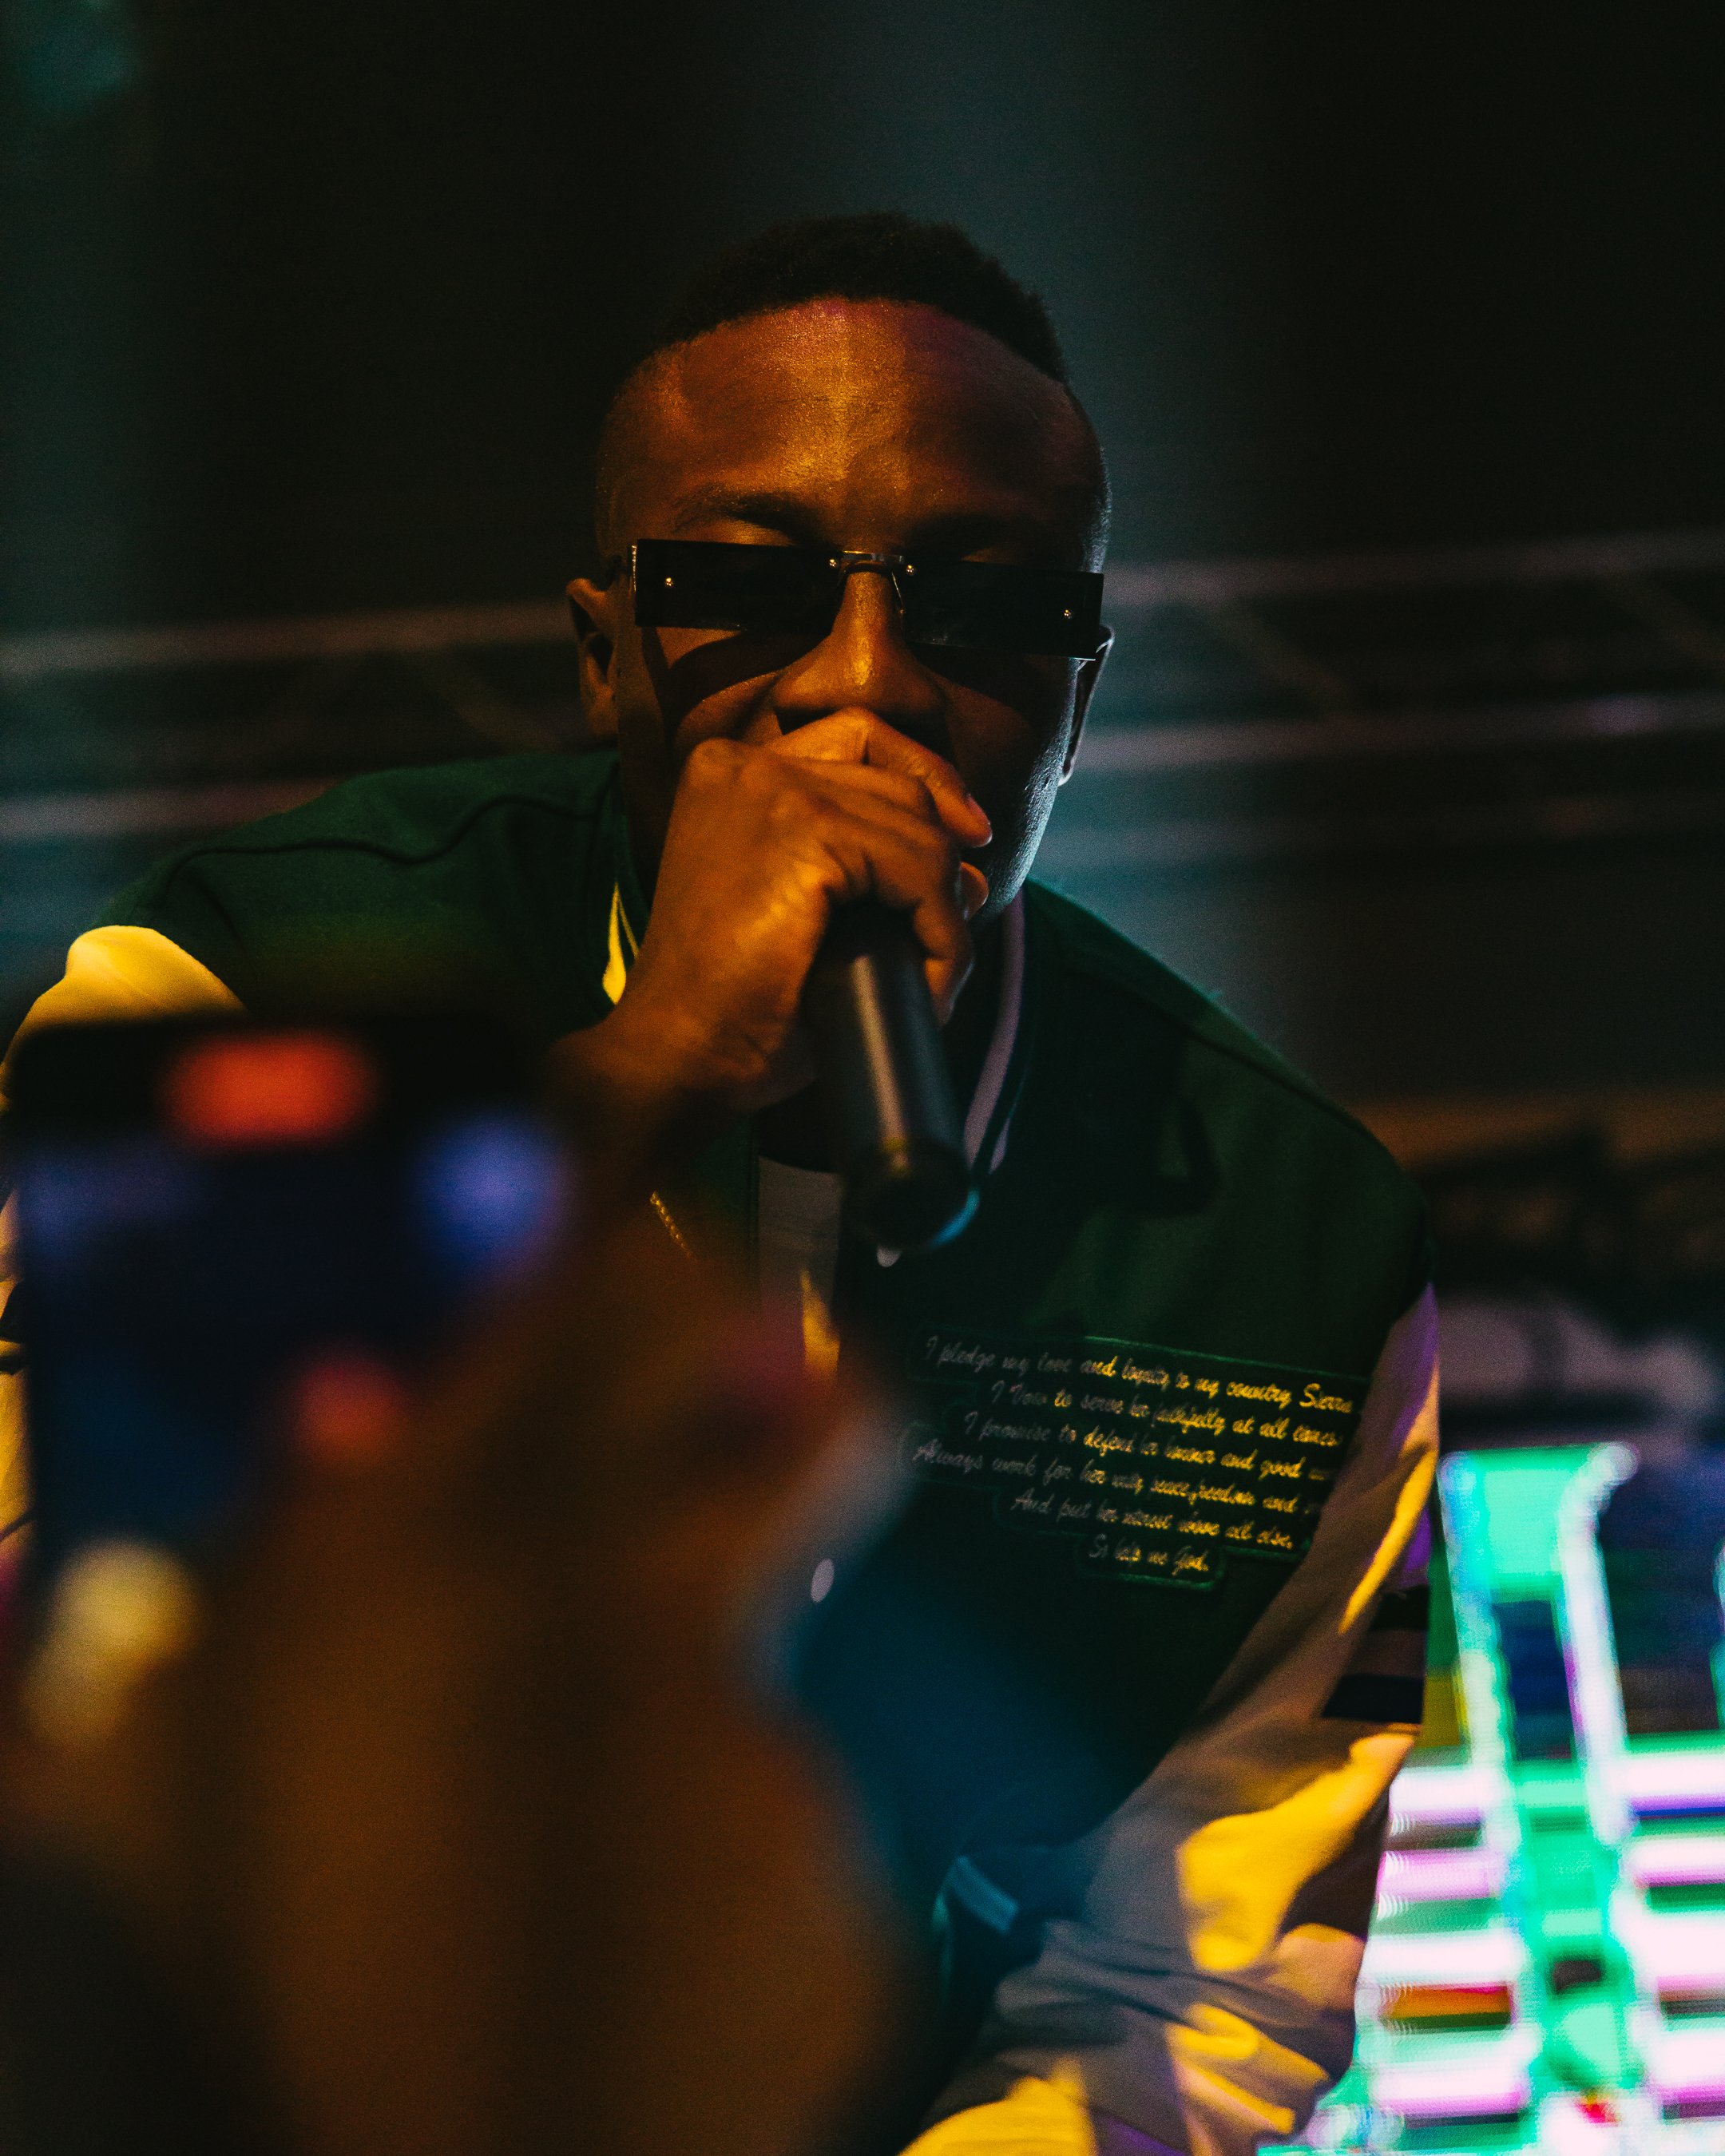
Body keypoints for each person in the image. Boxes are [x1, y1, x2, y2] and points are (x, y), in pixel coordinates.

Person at [0, 213, 1438, 2154]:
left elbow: (1193, 1992)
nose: (864, 683)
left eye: (987, 601)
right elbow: (78, 1630)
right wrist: (657, 1062)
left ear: (1079, 692)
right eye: (743, 588)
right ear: (605, 651)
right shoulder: (239, 981)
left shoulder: (1289, 1238)